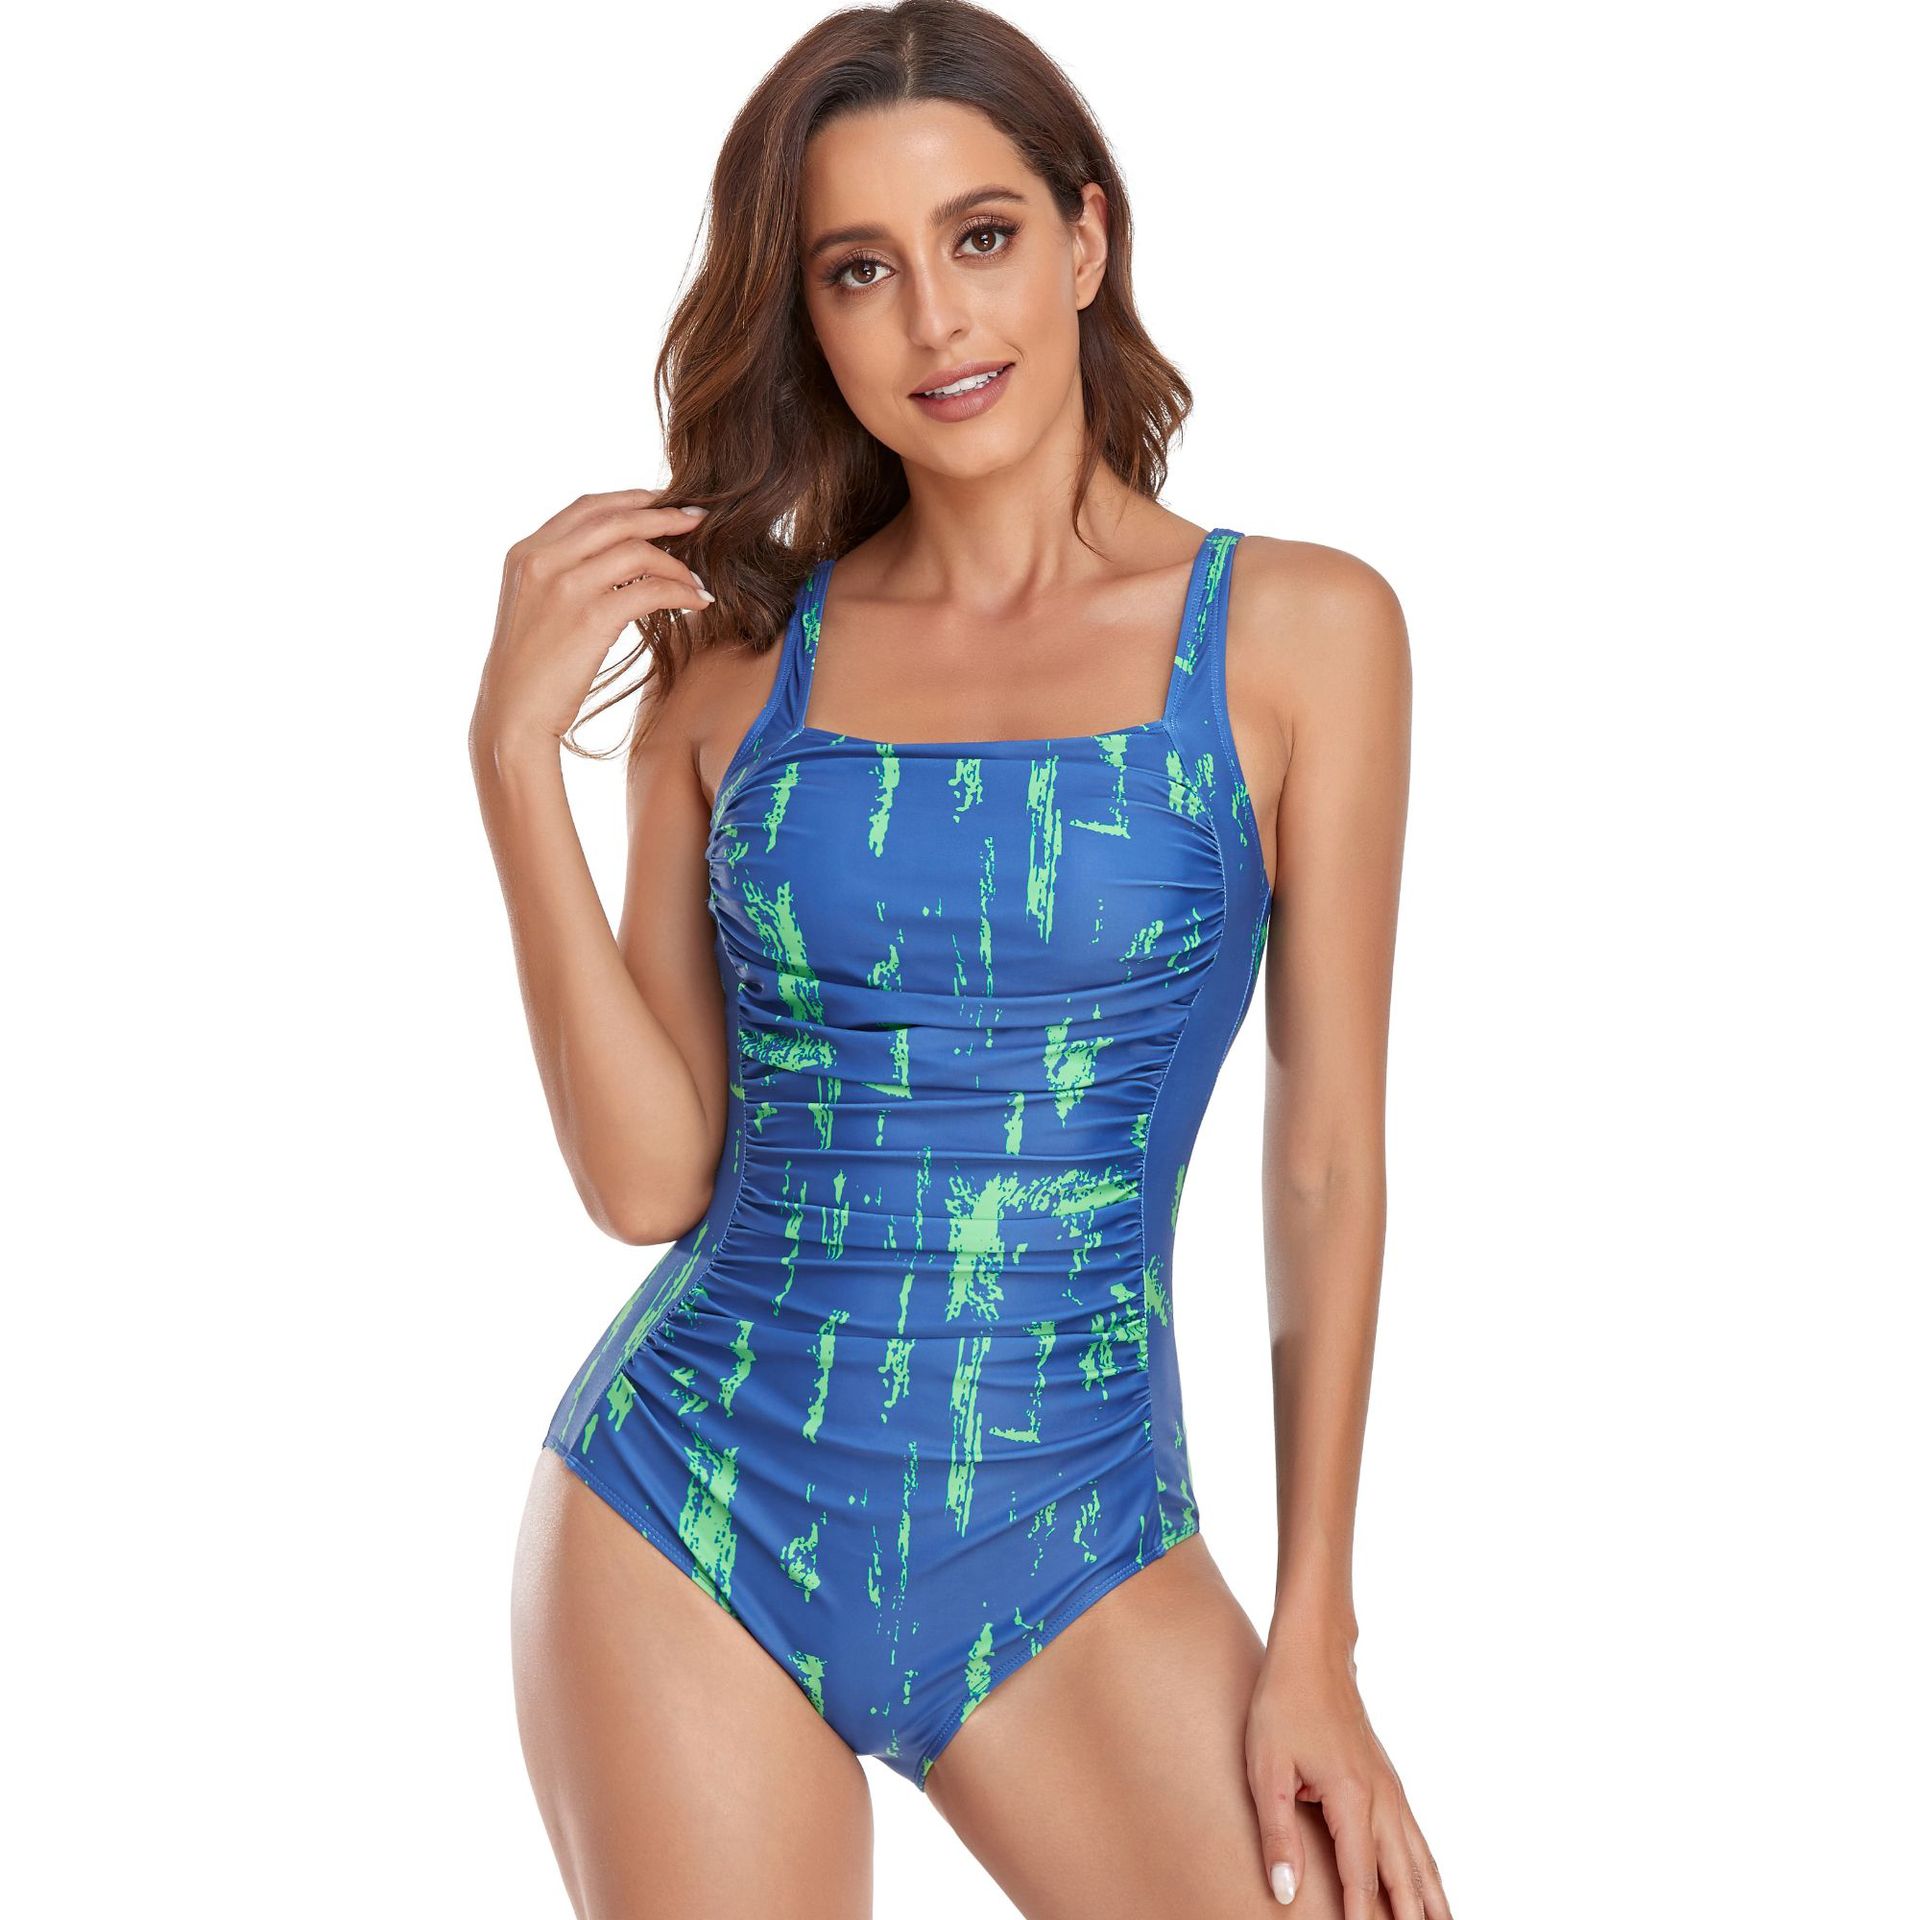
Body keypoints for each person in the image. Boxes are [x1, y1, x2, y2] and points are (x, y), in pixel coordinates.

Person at [469, 4, 1447, 1915]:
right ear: (810, 316)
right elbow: (649, 1182)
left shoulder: (1301, 634)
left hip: (1071, 1532)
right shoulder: (733, 675)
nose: (936, 320)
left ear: (1085, 241)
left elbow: (1325, 1158)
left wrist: (1316, 1632)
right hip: (688, 1508)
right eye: (861, 269)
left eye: (981, 237)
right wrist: (512, 764)